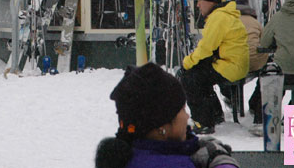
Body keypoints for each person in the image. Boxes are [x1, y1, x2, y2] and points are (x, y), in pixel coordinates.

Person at [95, 63, 240, 168]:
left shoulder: (128, 157)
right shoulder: (174, 165)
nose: (187, 116)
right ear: (161, 127)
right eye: (182, 110)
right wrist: (222, 162)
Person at [180, 0, 249, 134]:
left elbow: (205, 48)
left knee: (190, 77)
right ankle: (215, 115)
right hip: (233, 64)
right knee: (199, 73)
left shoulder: (218, 18)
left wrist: (186, 62)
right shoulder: (223, 15)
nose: (197, 5)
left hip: (230, 66)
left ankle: (203, 122)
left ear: (210, 1)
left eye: (200, 1)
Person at [233, 0, 268, 126]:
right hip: (257, 62)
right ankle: (255, 103)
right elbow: (265, 40)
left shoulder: (229, 21)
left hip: (236, 63)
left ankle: (233, 100)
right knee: (268, 71)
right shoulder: (255, 23)